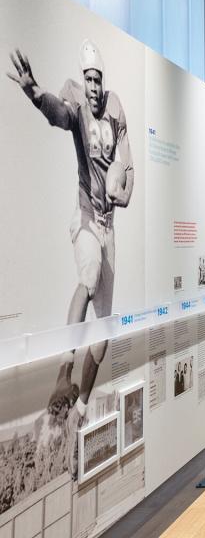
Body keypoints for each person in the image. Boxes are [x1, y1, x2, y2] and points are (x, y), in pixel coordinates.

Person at [7, 40, 133, 425]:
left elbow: (127, 165)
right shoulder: (75, 99)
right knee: (89, 276)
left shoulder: (115, 107)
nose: (93, 87)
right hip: (85, 216)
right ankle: (64, 369)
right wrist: (35, 94)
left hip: (109, 225)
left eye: (97, 80)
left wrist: (124, 192)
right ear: (82, 79)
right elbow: (59, 114)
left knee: (106, 328)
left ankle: (79, 406)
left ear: (104, 80)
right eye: (88, 79)